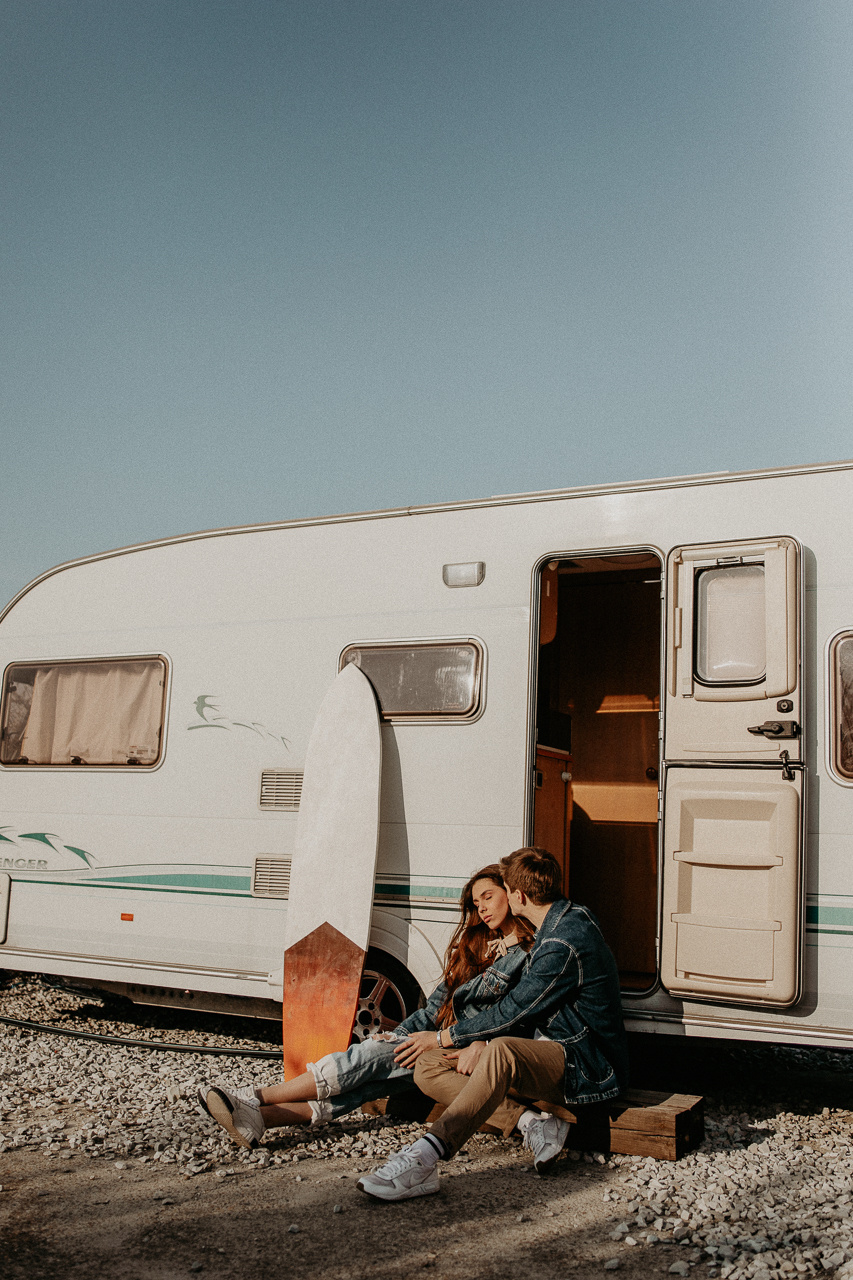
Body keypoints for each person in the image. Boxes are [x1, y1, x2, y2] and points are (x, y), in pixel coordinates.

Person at [357, 846, 629, 1201]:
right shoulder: (566, 917)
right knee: (428, 1066)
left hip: (586, 1063)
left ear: (518, 896)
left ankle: (425, 1157)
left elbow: (514, 1010)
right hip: (548, 1046)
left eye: (503, 890)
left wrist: (445, 1037)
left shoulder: (562, 943)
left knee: (502, 1051)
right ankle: (533, 1123)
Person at [195, 864, 533, 1149]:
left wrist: (479, 1043)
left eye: (488, 896)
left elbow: (515, 1017)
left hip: (462, 1051)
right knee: (367, 1083)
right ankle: (260, 1119)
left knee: (365, 1057)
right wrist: (399, 1034)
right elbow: (433, 1011)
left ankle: (254, 1096)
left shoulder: (526, 955)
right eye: (476, 902)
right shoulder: (475, 947)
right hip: (433, 1041)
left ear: (511, 893)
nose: (482, 908)